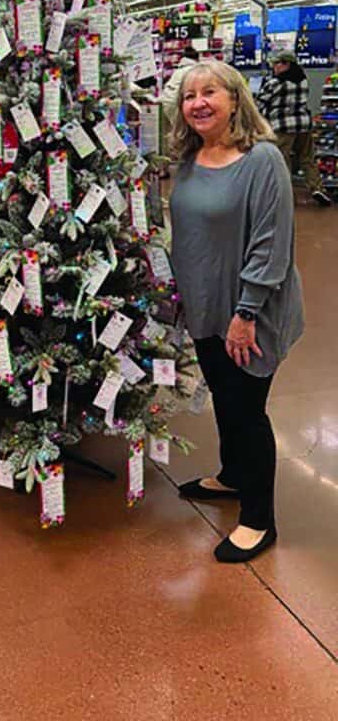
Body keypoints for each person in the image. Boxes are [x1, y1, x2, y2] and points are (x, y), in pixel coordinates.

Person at [169, 60, 304, 564]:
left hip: (250, 310)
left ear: (235, 99)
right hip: (204, 307)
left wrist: (246, 312)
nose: (198, 102)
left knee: (247, 410)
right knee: (225, 399)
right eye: (189, 95)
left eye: (210, 92)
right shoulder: (190, 158)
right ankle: (231, 476)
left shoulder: (261, 159)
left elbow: (272, 246)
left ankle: (258, 519)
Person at [255, 50, 330, 206]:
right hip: (303, 124)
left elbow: (260, 104)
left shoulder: (273, 83)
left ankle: (285, 193)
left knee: (282, 160)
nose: (274, 67)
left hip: (282, 126)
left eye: (277, 63)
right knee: (307, 158)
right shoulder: (303, 80)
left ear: (286, 64)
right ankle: (317, 188)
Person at [158, 45, 200, 127]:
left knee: (177, 128)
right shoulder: (192, 70)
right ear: (196, 59)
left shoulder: (179, 70)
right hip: (175, 103)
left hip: (167, 101)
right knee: (182, 129)